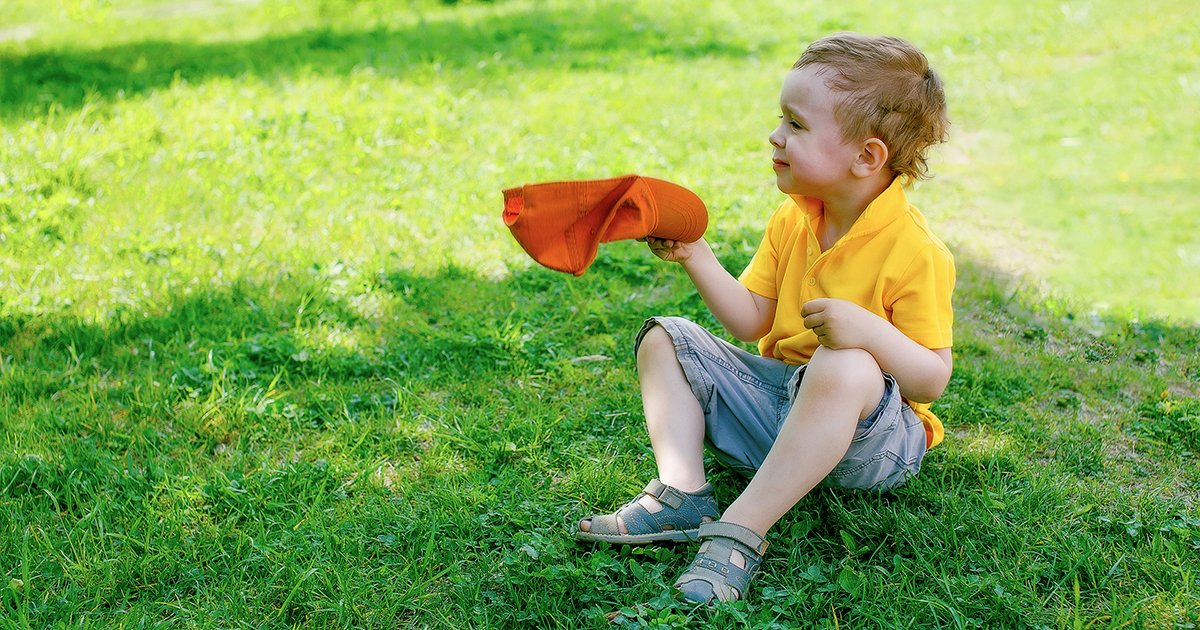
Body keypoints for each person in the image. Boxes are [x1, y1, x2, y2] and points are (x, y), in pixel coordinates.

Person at [575, 32, 956, 605]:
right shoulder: (794, 218)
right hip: (781, 411)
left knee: (845, 365)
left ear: (867, 157)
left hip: (871, 445)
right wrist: (695, 255)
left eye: (797, 126)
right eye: (782, 120)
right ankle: (682, 492)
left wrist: (867, 333)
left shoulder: (915, 250)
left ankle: (742, 529)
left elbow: (932, 379)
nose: (776, 136)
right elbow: (752, 321)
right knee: (665, 338)